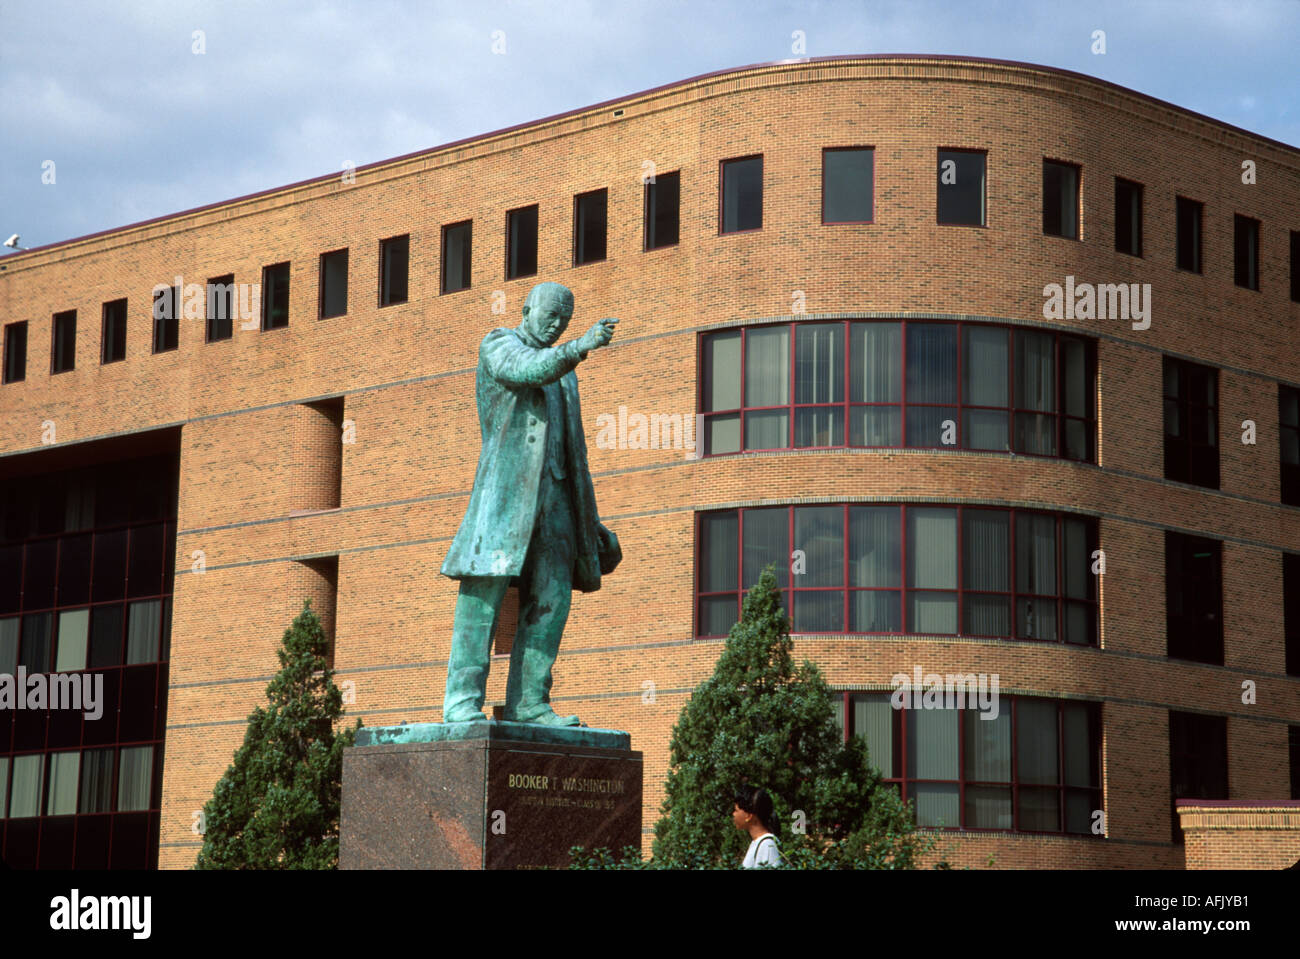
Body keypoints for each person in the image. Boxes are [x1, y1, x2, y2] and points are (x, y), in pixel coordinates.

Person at [440, 281, 621, 727]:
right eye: (551, 315)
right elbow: (525, 371)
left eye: (565, 319)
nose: (558, 324)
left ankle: (529, 702)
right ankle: (461, 701)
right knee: (483, 599)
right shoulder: (499, 344)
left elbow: (574, 451)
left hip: (558, 500)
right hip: (505, 500)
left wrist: (590, 519)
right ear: (526, 309)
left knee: (552, 600)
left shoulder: (566, 371)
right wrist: (580, 346)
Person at [732, 785, 782, 868]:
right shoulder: (758, 843)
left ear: (749, 816)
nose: (733, 814)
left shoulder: (768, 845)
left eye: (736, 810)